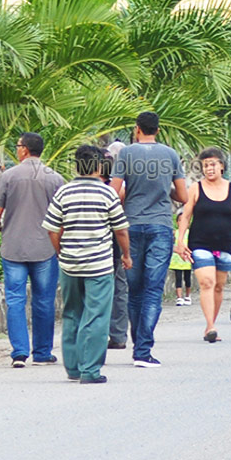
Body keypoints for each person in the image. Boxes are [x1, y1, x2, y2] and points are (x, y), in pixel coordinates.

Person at [41, 145, 131, 384]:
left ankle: (73, 368)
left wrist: (60, 251)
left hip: (69, 264)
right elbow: (120, 230)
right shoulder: (107, 193)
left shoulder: (64, 192)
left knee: (71, 313)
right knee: (97, 316)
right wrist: (126, 255)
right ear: (99, 166)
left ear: (77, 166)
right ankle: (90, 371)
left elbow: (52, 228)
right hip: (99, 266)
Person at [109, 112, 187, 368]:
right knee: (153, 290)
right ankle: (143, 350)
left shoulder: (126, 154)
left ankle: (138, 344)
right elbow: (183, 196)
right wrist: (166, 188)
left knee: (135, 290)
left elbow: (115, 190)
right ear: (158, 130)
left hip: (131, 226)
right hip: (161, 226)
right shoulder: (171, 154)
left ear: (137, 129)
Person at [0, 133, 65, 368]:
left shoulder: (8, 177)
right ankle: (42, 353)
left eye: (18, 146)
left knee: (15, 299)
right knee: (44, 300)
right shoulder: (55, 178)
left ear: (25, 150)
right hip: (46, 248)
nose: (17, 149)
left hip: (13, 248)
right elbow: (62, 217)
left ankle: (19, 353)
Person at [175, 148, 231, 343]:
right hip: (200, 243)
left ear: (221, 166)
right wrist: (180, 240)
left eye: (212, 164)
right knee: (207, 282)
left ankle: (211, 325)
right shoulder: (196, 188)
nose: (209, 169)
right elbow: (186, 216)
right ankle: (211, 326)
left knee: (218, 286)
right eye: (205, 165)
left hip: (225, 243)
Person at [104, 141, 130, 351]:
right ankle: (118, 334)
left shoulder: (116, 184)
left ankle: (113, 333)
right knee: (119, 285)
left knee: (111, 285)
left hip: (111, 237)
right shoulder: (125, 182)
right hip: (119, 237)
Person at [169, 229, 192, 306]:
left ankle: (187, 296)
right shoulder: (175, 232)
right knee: (178, 279)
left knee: (187, 279)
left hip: (187, 259)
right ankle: (179, 297)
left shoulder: (190, 232)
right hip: (177, 260)